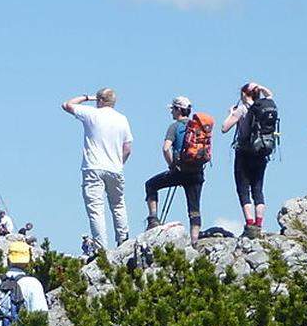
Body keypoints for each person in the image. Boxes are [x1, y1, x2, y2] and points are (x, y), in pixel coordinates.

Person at [62, 88, 132, 250]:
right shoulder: (122, 119)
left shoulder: (92, 114)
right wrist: (119, 163)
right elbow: (127, 148)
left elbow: (66, 104)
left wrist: (87, 97)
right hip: (115, 167)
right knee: (118, 204)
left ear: (99, 100)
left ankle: (101, 248)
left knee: (96, 209)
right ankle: (123, 241)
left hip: (93, 166)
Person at [144, 96, 206, 243]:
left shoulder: (175, 126)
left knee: (151, 185)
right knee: (194, 208)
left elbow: (166, 148)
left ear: (178, 110)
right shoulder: (198, 127)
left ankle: (153, 219)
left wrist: (172, 165)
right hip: (197, 172)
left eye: (173, 109)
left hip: (180, 171)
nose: (171, 112)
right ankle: (194, 242)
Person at [222, 82, 275, 238]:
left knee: (243, 189)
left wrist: (230, 113)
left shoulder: (242, 110)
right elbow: (270, 95)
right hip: (261, 152)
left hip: (244, 153)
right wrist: (260, 86)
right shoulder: (264, 106)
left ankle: (250, 224)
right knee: (258, 189)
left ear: (244, 94)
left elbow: (224, 128)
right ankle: (259, 224)